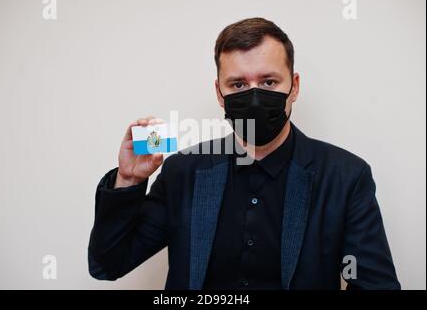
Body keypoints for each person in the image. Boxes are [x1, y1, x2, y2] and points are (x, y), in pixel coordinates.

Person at [88, 17, 400, 290]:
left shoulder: (345, 177)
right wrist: (128, 180)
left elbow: (375, 285)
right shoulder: (182, 171)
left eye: (268, 81)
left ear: (294, 87)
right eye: (238, 84)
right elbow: (108, 265)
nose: (253, 97)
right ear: (219, 93)